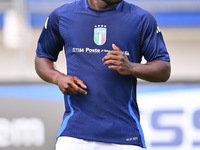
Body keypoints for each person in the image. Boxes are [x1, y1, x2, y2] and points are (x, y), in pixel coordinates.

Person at [35, 0, 171, 149]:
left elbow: (164, 69)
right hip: (75, 135)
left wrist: (131, 67)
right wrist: (57, 77)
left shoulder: (141, 19)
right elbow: (42, 57)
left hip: (125, 136)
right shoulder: (63, 15)